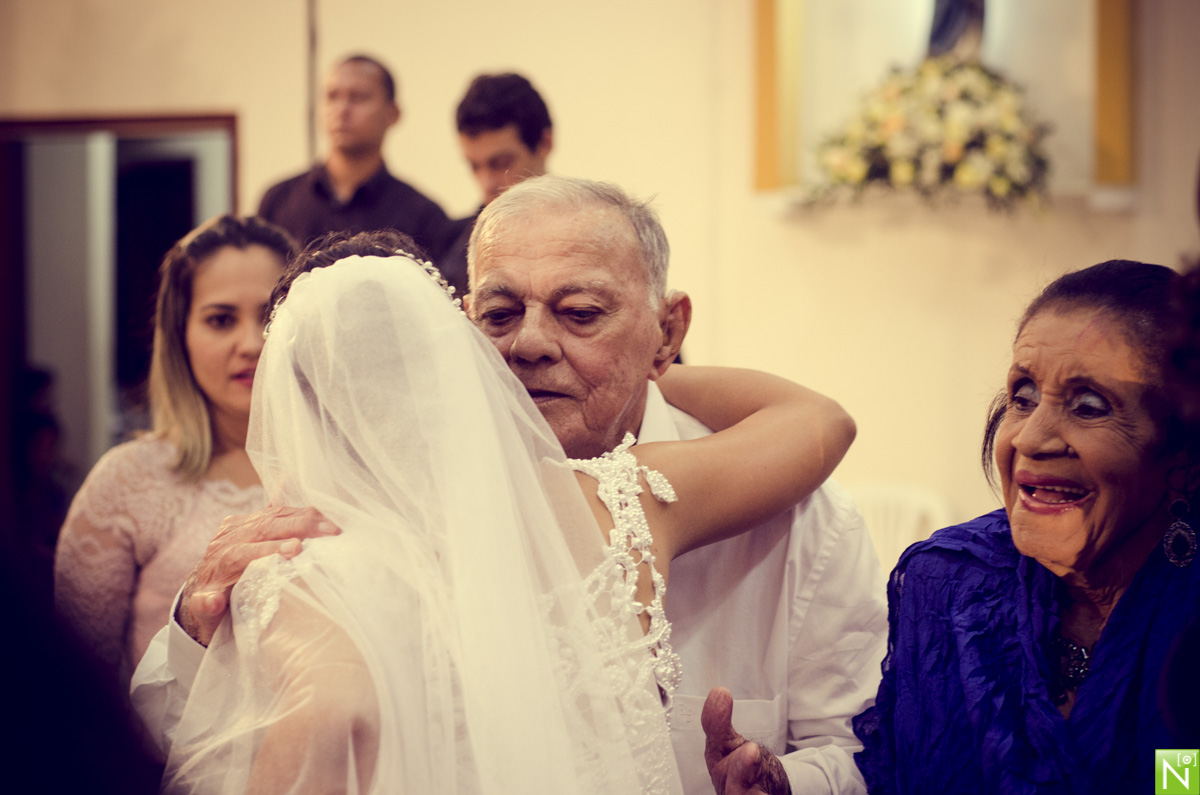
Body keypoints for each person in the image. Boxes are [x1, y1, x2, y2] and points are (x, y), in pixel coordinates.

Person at [134, 176, 885, 795]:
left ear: (668, 328)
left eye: (579, 313)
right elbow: (185, 734)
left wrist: (788, 781)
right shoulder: (336, 532)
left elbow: (865, 752)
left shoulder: (790, 514)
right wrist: (198, 627)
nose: (527, 343)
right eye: (498, 314)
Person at [853, 260, 1200, 793]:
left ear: (1182, 452)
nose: (1030, 439)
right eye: (1023, 397)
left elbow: (1181, 780)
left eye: (1089, 406)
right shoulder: (948, 585)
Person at [55, 215, 294, 685]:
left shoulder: (343, 468)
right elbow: (75, 689)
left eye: (270, 316)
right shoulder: (126, 482)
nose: (251, 343)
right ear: (180, 334)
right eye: (221, 319)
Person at [257, 54, 455, 259]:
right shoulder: (279, 202)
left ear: (393, 113)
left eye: (359, 97)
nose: (342, 109)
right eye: (332, 97)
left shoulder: (424, 216)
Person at [439, 72, 553, 296]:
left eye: (501, 163)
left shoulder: (593, 235)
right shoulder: (448, 244)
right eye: (474, 166)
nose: (487, 182)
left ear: (544, 143)